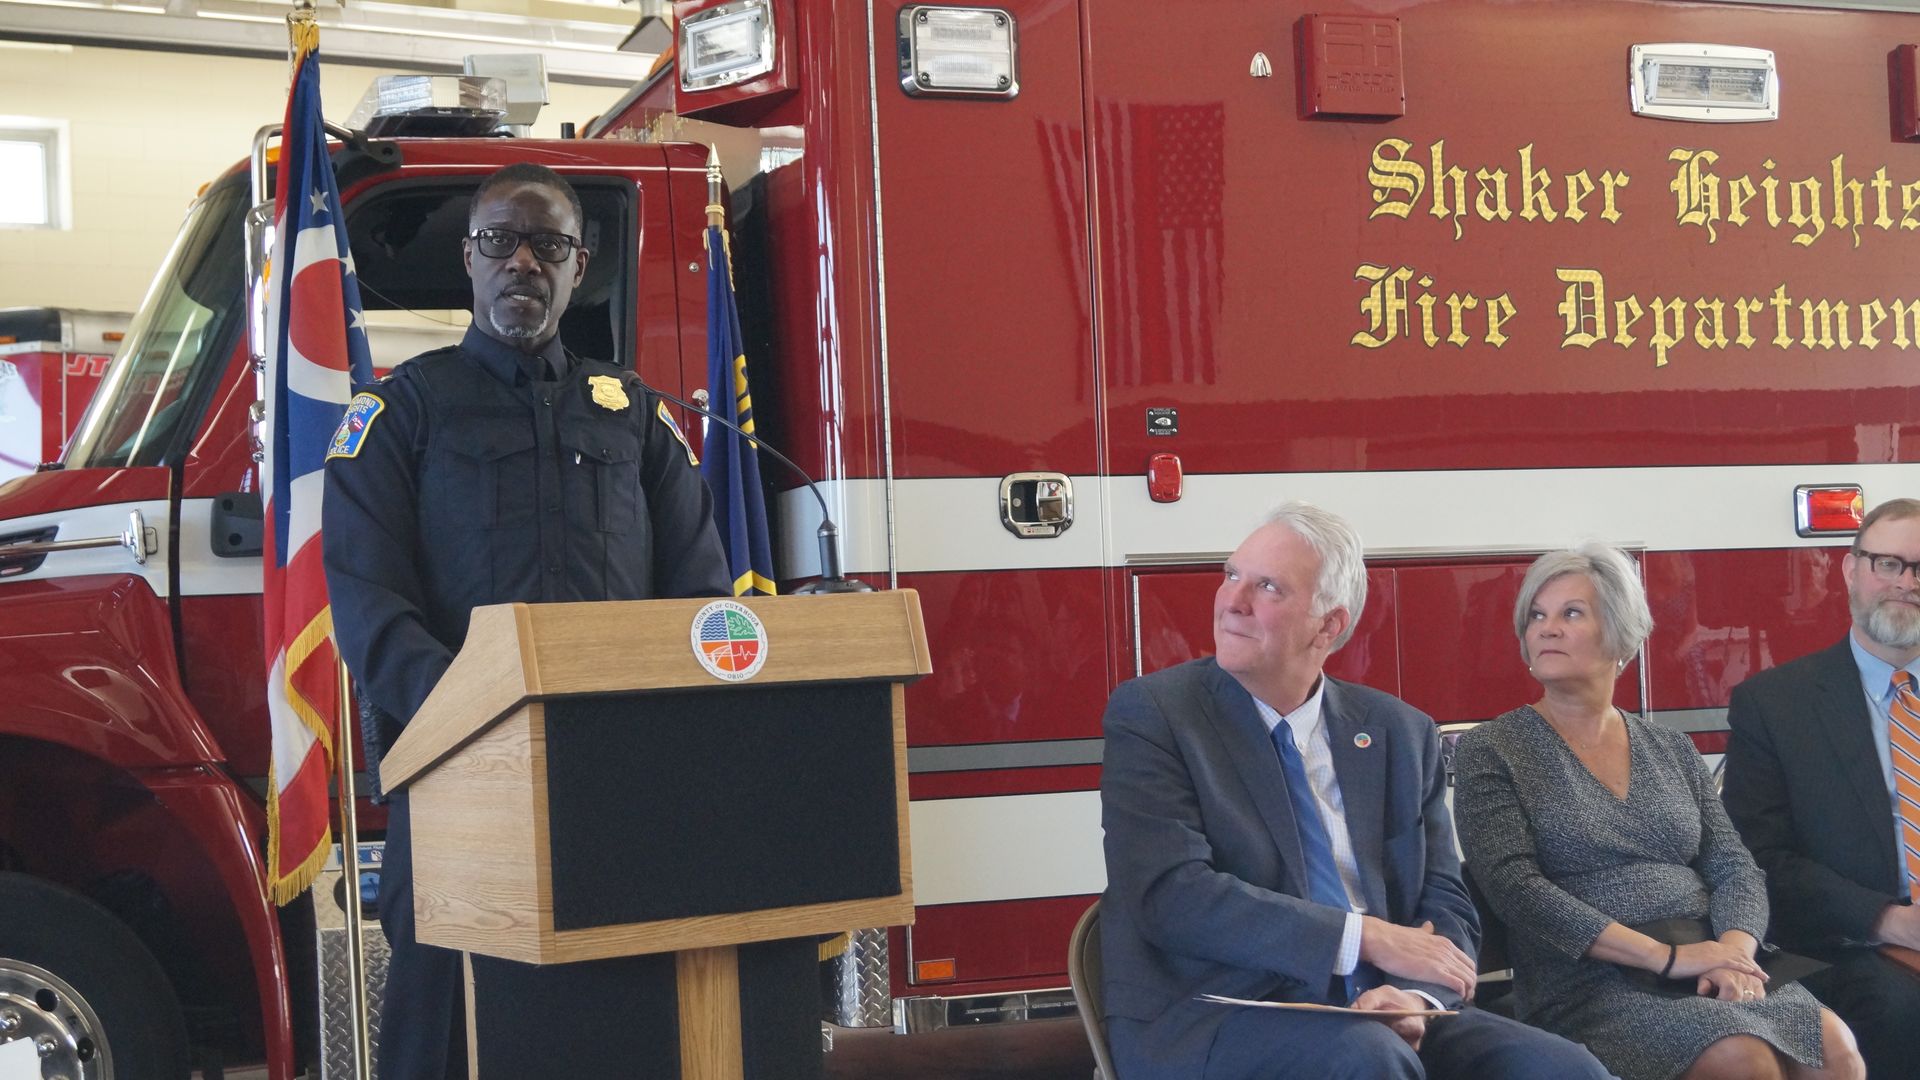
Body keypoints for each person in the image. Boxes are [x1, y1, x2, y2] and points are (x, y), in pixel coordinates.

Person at [323, 163, 732, 1078]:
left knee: (617, 1029)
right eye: (499, 242)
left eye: (546, 245)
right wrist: (484, 728)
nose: (522, 263)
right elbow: (370, 608)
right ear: (469, 260)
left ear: (578, 267)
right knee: (445, 1037)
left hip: (620, 782)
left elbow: (703, 601)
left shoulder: (636, 419)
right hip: (460, 781)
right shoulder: (397, 415)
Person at [1099, 502, 1613, 1080]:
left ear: (1329, 626)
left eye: (1267, 587)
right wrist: (1362, 939)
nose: (1232, 602)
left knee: (1567, 1068)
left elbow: (1445, 900)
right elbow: (1171, 896)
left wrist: (1414, 996)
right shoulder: (1156, 714)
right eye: (1231, 575)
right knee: (1367, 1059)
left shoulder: (1398, 730)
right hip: (1223, 1009)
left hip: (1384, 1008)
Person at [1453, 544, 1862, 1080]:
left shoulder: (1671, 747)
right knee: (1743, 1061)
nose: (1546, 629)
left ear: (1620, 634)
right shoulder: (1494, 748)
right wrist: (1664, 958)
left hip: (1708, 956)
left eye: (1570, 613)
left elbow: (1735, 866)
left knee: (1836, 1048)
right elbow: (1516, 889)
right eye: (1536, 615)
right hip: (1590, 982)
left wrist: (1732, 954)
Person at [1724, 497, 1920, 1078]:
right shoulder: (1774, 705)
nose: (1906, 583)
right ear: (1849, 569)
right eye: (1889, 563)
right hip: (1852, 946)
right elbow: (1760, 859)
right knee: (1899, 1011)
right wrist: (1892, 920)